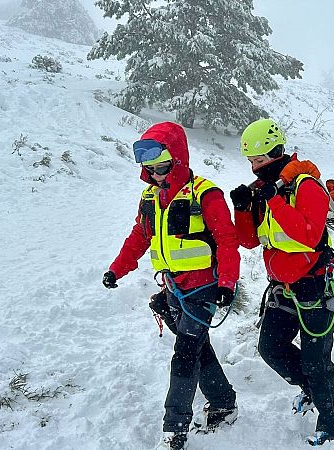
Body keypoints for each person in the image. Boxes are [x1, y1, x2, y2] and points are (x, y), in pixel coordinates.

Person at [102, 122, 240, 450]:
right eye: (149, 167)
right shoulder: (150, 196)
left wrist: (227, 282)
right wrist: (117, 269)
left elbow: (227, 239)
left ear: (176, 159)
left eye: (161, 165)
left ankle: (174, 430)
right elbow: (140, 236)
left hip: (203, 288)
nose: (155, 173)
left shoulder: (206, 193)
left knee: (185, 353)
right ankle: (224, 403)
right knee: (197, 347)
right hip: (173, 287)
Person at [229, 118, 334, 446]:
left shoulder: (306, 186)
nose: (256, 168)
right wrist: (242, 209)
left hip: (316, 286)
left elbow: (308, 235)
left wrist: (274, 200)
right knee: (270, 349)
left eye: (261, 160)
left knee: (316, 361)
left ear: (278, 152)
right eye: (252, 162)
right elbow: (250, 241)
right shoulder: (267, 191)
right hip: (284, 288)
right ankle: (312, 390)